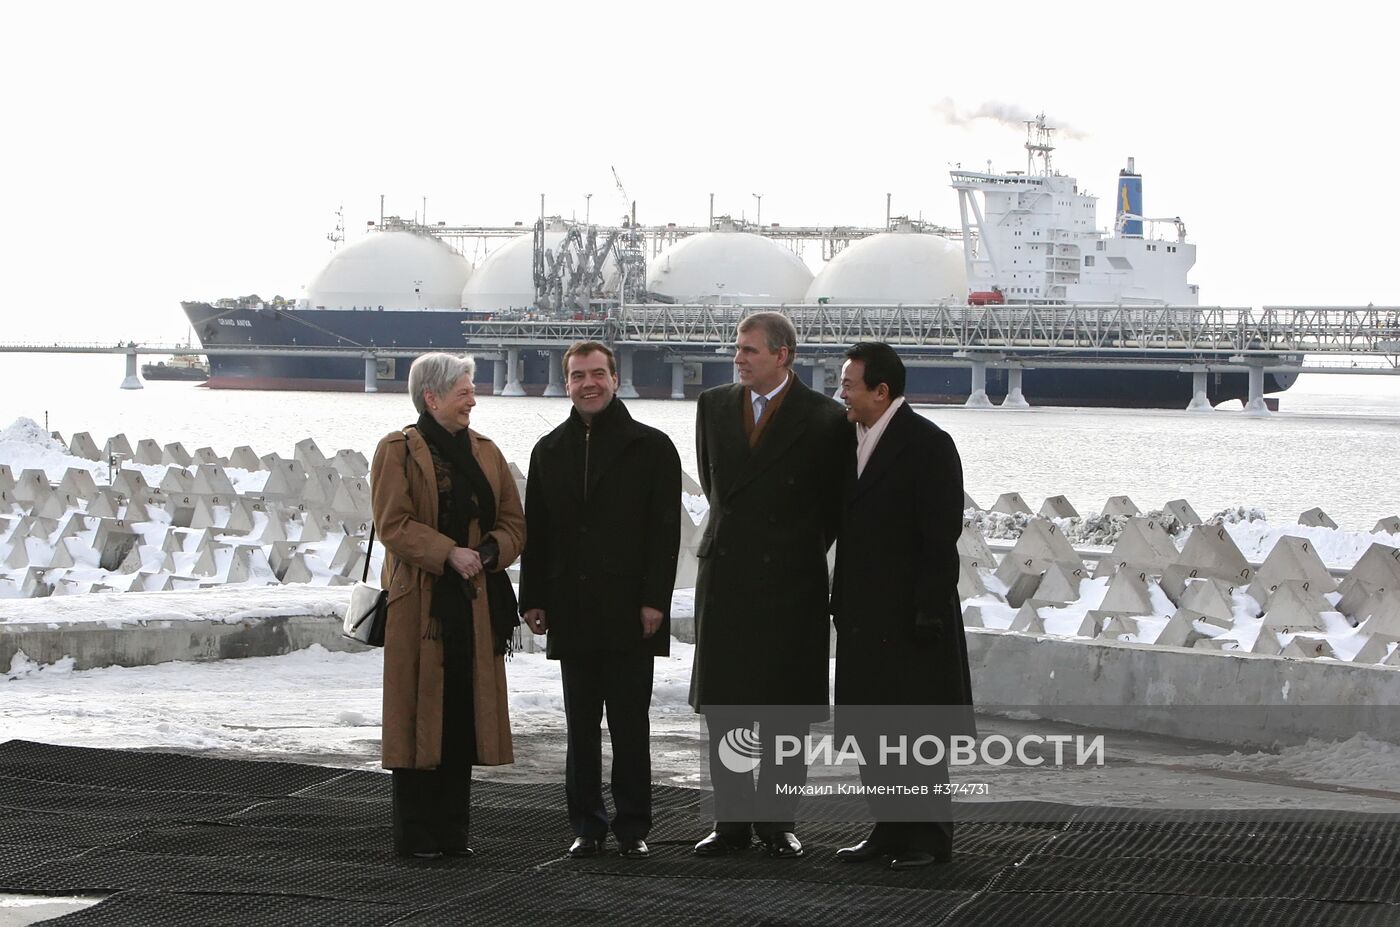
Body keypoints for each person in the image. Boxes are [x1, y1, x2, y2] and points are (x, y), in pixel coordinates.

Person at [689, 311, 851, 860]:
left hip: (791, 578)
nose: (738, 358)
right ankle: (731, 823)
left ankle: (778, 822)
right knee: (726, 707)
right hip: (726, 574)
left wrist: (792, 549)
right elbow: (715, 484)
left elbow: (833, 507)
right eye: (737, 348)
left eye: (750, 350)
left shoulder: (826, 417)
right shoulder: (712, 406)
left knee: (785, 711)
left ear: (783, 355)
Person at [519, 341, 682, 860]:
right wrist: (533, 598)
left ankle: (633, 826)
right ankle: (587, 825)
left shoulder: (652, 447)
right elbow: (537, 531)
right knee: (581, 727)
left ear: (614, 378)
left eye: (597, 374)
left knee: (631, 726)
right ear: (566, 383)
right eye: (577, 375)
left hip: (632, 609)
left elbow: (665, 534)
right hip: (572, 605)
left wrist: (655, 600)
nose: (587, 384)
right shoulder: (549, 449)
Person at [370, 352, 525, 860]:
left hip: (475, 604)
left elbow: (513, 523)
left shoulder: (487, 452)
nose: (473, 401)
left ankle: (454, 834)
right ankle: (416, 835)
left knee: (461, 713)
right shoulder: (397, 451)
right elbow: (393, 524)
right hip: (421, 605)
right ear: (431, 397)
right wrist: (447, 553)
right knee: (418, 714)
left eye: (472, 391)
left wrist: (488, 553)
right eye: (464, 393)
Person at [830, 342, 974, 870]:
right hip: (862, 612)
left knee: (915, 732)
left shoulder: (929, 444)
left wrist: (927, 611)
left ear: (881, 390)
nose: (841, 394)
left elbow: (941, 536)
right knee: (872, 728)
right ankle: (887, 830)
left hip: (913, 615)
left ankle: (929, 838)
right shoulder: (848, 439)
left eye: (849, 385)